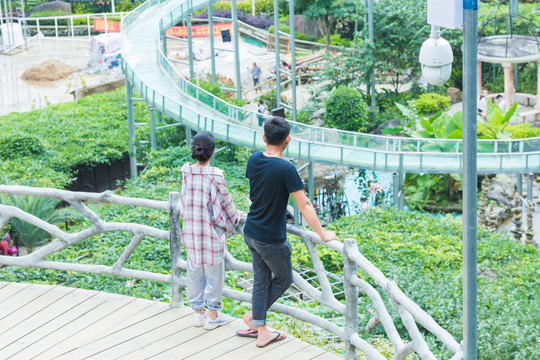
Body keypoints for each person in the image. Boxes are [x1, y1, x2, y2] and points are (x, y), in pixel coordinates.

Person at [237, 116, 339, 347]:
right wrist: (322, 234)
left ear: (264, 138)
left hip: (251, 231)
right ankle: (256, 321)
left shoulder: (253, 159)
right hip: (270, 239)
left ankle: (258, 325)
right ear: (288, 140)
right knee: (284, 279)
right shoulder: (286, 169)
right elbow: (304, 205)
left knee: (262, 280)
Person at [180, 131, 242, 330]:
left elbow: (183, 200)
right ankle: (213, 315)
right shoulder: (215, 175)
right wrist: (236, 217)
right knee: (214, 274)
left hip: (190, 230)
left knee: (194, 271)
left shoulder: (186, 172)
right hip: (210, 233)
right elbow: (226, 203)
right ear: (213, 151)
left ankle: (199, 313)